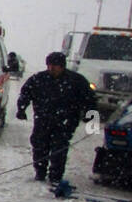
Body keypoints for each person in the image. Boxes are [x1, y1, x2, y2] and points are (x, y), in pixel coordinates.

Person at [15, 51, 97, 183]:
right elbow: (25, 93)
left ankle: (55, 175)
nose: (51, 68)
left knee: (59, 147)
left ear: (62, 66)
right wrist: (21, 109)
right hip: (43, 119)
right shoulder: (38, 79)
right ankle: (40, 172)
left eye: (55, 65)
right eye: (49, 65)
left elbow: (90, 100)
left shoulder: (76, 81)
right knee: (39, 145)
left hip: (66, 121)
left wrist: (91, 116)